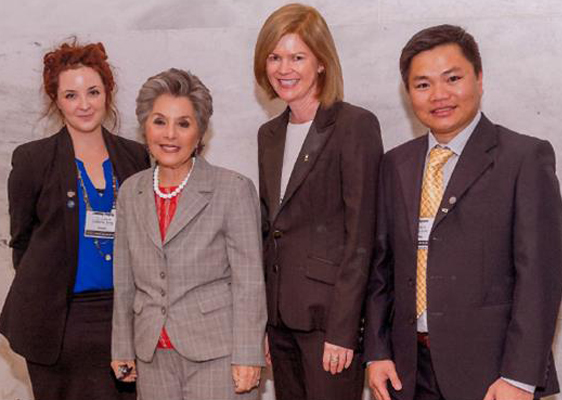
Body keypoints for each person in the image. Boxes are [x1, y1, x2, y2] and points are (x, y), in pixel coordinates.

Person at [364, 24, 562, 400]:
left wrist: (519, 378)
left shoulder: (523, 158)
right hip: (409, 371)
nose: (439, 95)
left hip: (492, 377)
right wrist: (377, 351)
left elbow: (540, 277)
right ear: (409, 93)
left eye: (452, 78)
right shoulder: (396, 164)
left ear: (479, 78)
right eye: (422, 85)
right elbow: (382, 267)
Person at [0, 40, 149, 400]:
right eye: (71, 95)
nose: (84, 104)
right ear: (56, 100)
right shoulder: (33, 161)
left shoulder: (136, 158)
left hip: (124, 321)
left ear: (107, 93)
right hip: (58, 324)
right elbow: (22, 241)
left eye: (93, 92)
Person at [110, 68, 267, 400]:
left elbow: (249, 281)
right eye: (159, 121)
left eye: (183, 123)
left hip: (218, 353)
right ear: (144, 127)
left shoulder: (232, 189)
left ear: (200, 133)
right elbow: (124, 279)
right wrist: (122, 346)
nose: (170, 135)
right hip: (151, 353)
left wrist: (248, 353)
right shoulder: (130, 192)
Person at [254, 4, 383, 400]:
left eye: (297, 56)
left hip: (329, 324)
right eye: (274, 57)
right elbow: (270, 228)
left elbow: (362, 236)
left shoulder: (353, 125)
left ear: (322, 62)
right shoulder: (268, 134)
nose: (283, 68)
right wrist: (260, 324)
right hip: (279, 320)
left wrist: (344, 332)